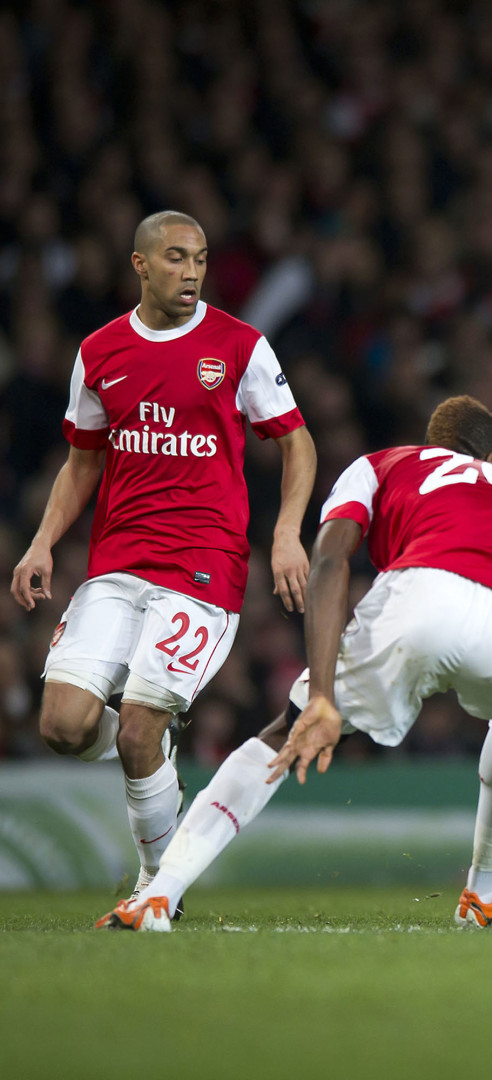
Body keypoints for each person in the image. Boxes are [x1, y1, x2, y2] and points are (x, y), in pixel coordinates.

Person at [97, 397, 492, 931]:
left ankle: (159, 893)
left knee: (282, 735)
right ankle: (487, 884)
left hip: (421, 600)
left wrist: (321, 695)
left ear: (435, 444)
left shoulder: (382, 464)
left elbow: (330, 560)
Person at [10, 210, 316, 904]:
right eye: (176, 258)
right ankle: (152, 763)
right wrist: (41, 542)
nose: (193, 272)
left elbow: (296, 441)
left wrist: (287, 532)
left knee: (140, 728)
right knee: (62, 727)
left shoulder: (239, 346)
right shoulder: (100, 351)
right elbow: (82, 463)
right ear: (141, 265)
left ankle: (156, 888)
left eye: (201, 258)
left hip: (203, 571)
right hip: (117, 565)